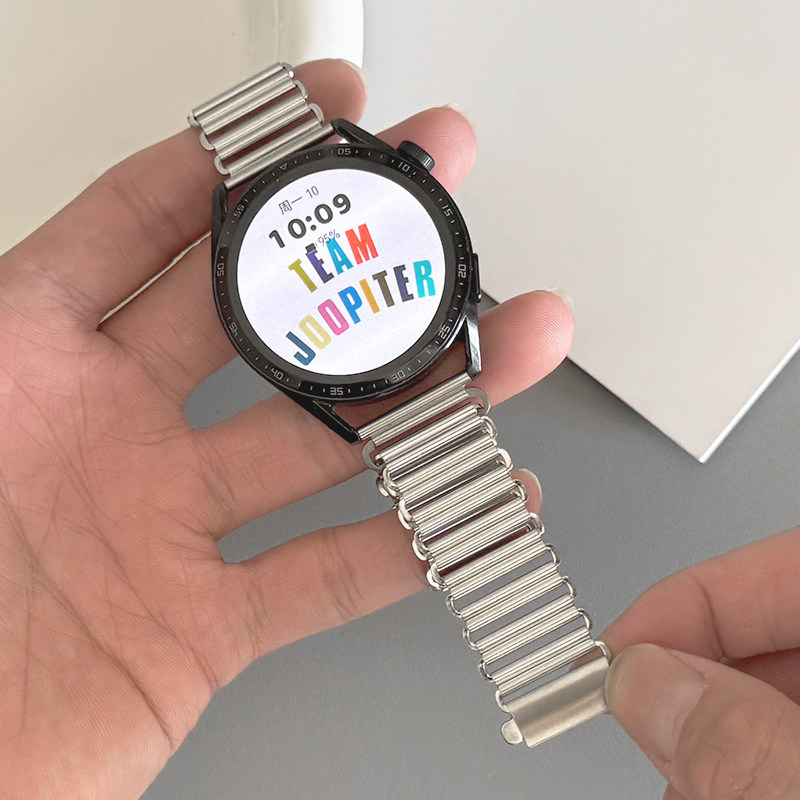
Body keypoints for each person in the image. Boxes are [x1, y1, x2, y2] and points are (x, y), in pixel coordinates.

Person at [0, 59, 797, 800]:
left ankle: (552, 677)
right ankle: (548, 682)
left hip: (397, 368)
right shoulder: (350, 227)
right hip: (395, 368)